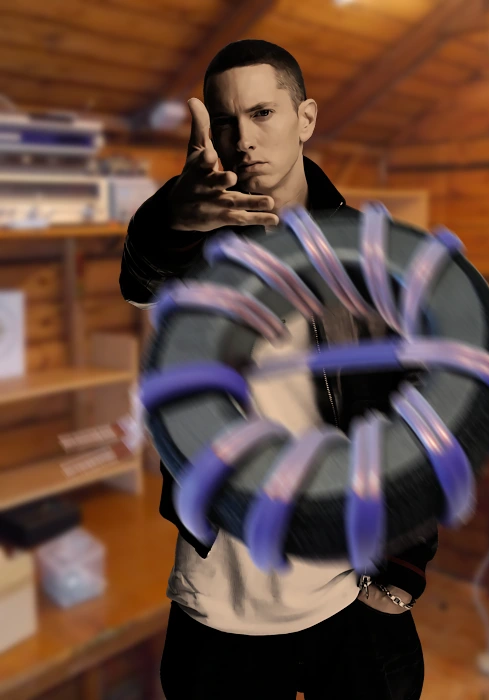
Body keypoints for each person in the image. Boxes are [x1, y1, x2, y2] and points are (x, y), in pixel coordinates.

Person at [120, 39, 438, 700]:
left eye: (263, 113)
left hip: (347, 594)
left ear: (305, 118)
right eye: (226, 121)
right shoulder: (191, 249)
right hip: (217, 601)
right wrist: (171, 218)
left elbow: (414, 413)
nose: (243, 140)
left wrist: (402, 573)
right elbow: (140, 277)